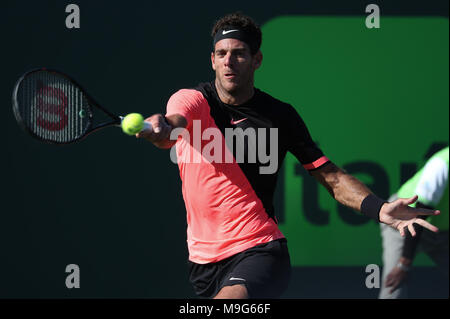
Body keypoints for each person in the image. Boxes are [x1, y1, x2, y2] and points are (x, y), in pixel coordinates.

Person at [136, 12, 440, 299]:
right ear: (212, 60)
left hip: (261, 250)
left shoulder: (280, 115)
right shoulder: (192, 100)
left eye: (239, 53)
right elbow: (172, 126)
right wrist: (159, 127)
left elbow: (329, 176)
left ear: (257, 60)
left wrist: (379, 209)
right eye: (221, 53)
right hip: (203, 262)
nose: (229, 61)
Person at [379, 146, 448, 299]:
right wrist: (404, 264)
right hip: (402, 222)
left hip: (442, 232)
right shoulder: (442, 164)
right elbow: (418, 215)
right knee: (394, 286)